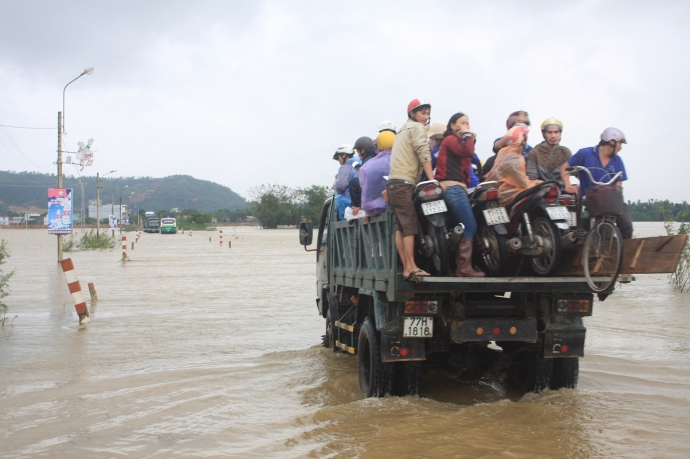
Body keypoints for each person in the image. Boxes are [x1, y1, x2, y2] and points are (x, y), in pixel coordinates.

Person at [387, 98, 436, 279]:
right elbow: (424, 153)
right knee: (409, 226)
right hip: (404, 184)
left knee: (401, 227)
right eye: (422, 113)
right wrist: (432, 179)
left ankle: (408, 268)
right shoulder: (416, 128)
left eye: (428, 113)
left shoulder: (401, 131)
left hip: (395, 183)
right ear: (413, 114)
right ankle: (412, 268)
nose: (426, 116)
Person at [559, 127, 633, 239]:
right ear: (612, 142)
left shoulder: (618, 161)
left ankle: (625, 250)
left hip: (612, 201)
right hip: (592, 200)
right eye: (620, 144)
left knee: (627, 225)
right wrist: (568, 185)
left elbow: (618, 183)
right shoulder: (585, 153)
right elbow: (564, 168)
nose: (620, 148)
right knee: (604, 232)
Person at [435, 112, 485, 277]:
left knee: (462, 225)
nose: (466, 126)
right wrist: (468, 135)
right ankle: (463, 267)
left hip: (457, 187)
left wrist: (468, 137)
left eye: (468, 123)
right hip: (453, 188)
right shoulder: (450, 140)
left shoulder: (456, 142)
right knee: (470, 225)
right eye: (462, 123)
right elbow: (468, 153)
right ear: (453, 126)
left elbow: (466, 158)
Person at [485, 125, 542, 207]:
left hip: (496, 188)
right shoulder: (515, 159)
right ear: (523, 140)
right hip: (504, 193)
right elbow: (523, 183)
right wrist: (538, 184)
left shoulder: (503, 151)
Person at [482, 110, 532, 179]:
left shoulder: (530, 150)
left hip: (522, 178)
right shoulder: (500, 141)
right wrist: (515, 130)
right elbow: (498, 146)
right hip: (502, 177)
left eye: (523, 127)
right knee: (491, 160)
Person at [360, 130, 395, 217]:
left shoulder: (367, 166)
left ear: (378, 146)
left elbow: (364, 188)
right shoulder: (404, 159)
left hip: (376, 209)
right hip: (401, 204)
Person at [527, 117, 572, 183]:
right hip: (540, 189)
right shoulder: (534, 153)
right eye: (549, 132)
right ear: (543, 134)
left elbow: (576, 171)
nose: (553, 135)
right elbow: (532, 177)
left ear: (560, 133)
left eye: (556, 132)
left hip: (562, 189)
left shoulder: (566, 152)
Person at [349, 136, 377, 216]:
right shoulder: (377, 158)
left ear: (363, 150)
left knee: (354, 182)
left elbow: (366, 185)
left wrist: (362, 206)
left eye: (358, 151)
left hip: (372, 199)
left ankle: (357, 207)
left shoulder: (366, 162)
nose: (358, 154)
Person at [332, 143, 359, 221]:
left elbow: (340, 187)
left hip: (347, 205)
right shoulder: (359, 163)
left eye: (338, 157)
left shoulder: (347, 166)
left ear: (344, 155)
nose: (338, 161)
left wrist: (335, 184)